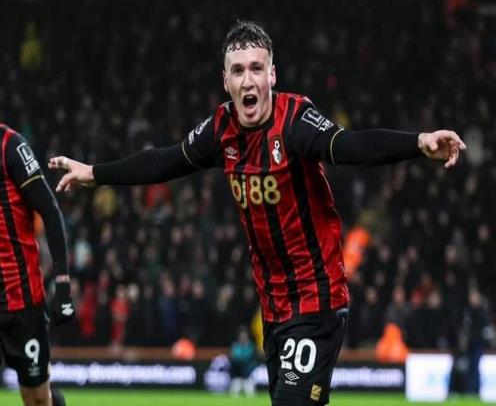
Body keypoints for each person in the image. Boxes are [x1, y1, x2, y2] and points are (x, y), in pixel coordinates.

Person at [48, 21, 466, 405]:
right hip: (273, 308)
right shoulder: (221, 128)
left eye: (256, 68)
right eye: (237, 71)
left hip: (317, 298)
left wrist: (418, 142)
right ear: (225, 81)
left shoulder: (296, 120)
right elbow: (165, 161)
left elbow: (351, 146)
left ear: (272, 75)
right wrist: (95, 173)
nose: (248, 80)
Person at [0, 124, 75, 406]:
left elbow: (50, 211)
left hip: (20, 299)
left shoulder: (11, 146)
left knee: (37, 400)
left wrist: (63, 284)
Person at [229, 327, 258, 397]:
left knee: (250, 395)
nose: (243, 338)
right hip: (237, 376)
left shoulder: (251, 346)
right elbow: (233, 358)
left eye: (244, 336)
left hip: (248, 376)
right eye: (241, 336)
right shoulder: (235, 346)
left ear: (247, 337)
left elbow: (247, 358)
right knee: (233, 396)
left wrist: (239, 359)